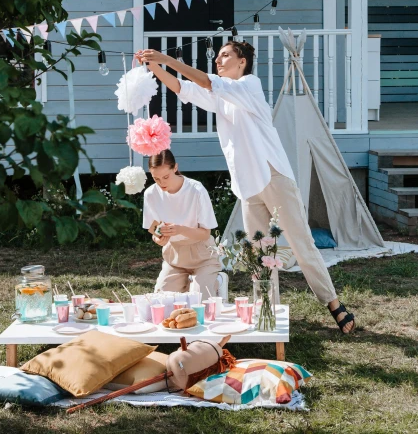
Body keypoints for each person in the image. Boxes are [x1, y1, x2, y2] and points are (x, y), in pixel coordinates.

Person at [137, 42, 355, 334]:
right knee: (258, 254)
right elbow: (182, 88)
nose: (218, 59)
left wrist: (165, 58)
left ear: (242, 62)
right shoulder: (222, 98)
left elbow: (204, 81)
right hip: (249, 186)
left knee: (301, 244)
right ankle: (265, 311)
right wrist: (154, 67)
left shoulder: (250, 86)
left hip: (274, 176)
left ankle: (333, 303)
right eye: (217, 56)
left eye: (225, 55)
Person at [143, 149, 222, 296]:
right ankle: (188, 285)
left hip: (203, 255)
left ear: (175, 168)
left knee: (199, 301)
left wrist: (180, 229)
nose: (161, 183)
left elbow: (205, 234)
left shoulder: (196, 190)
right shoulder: (151, 194)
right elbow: (154, 231)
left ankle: (213, 282)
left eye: (166, 177)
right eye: (156, 178)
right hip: (174, 257)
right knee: (161, 300)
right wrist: (159, 239)